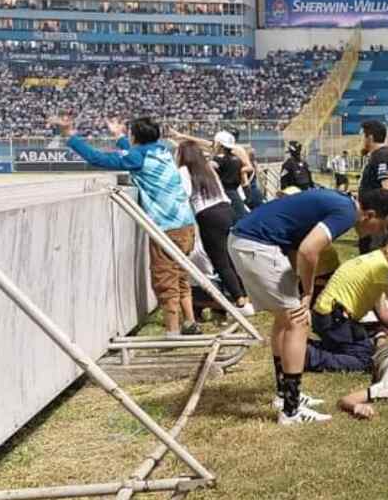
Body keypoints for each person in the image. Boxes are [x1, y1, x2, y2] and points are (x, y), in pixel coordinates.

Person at [229, 188, 388, 424]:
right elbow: (308, 250)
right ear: (370, 214)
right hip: (256, 245)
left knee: (285, 320)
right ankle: (290, 412)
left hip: (247, 241)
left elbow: (294, 243)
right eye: (383, 226)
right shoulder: (346, 212)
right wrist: (307, 293)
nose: (382, 233)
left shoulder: (341, 203)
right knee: (298, 322)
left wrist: (296, 287)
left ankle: (286, 396)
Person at [55, 115, 200, 337]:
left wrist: (71, 136)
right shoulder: (162, 151)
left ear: (136, 136)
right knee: (180, 274)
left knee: (165, 279)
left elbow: (98, 158)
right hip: (187, 224)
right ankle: (190, 322)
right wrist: (120, 136)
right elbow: (133, 154)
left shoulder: (138, 157)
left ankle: (172, 331)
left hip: (167, 227)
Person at [306, 231, 388, 373]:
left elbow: (383, 314)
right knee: (365, 360)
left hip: (326, 317)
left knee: (363, 350)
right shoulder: (381, 267)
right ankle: (309, 356)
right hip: (334, 320)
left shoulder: (371, 263)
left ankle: (305, 346)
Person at [175, 139, 249, 314]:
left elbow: (184, 194)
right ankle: (246, 294)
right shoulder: (208, 168)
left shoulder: (184, 171)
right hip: (226, 209)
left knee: (219, 260)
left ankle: (239, 300)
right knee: (231, 256)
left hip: (209, 215)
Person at [358, 119, 388, 253]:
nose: (361, 140)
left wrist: (380, 218)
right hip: (375, 219)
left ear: (369, 137)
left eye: (362, 136)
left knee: (379, 257)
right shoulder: (379, 155)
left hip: (379, 220)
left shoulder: (382, 156)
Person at [213, 131, 250, 220]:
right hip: (235, 192)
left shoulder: (218, 160)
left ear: (219, 145)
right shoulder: (237, 159)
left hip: (224, 193)